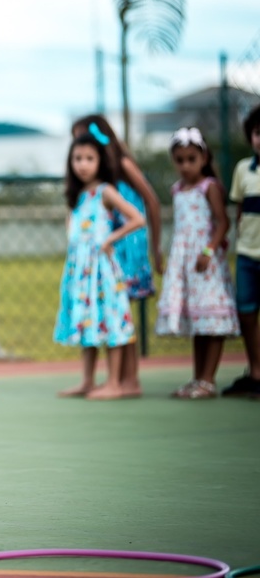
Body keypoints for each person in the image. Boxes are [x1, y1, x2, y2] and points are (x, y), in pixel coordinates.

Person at [71, 114, 164, 398]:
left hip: (127, 244)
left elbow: (151, 200)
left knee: (122, 310)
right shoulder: (102, 175)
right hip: (109, 245)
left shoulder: (122, 165)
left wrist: (155, 247)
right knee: (116, 308)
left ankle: (129, 380)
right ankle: (119, 379)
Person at [54, 131, 145, 400]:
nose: (82, 164)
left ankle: (115, 382)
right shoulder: (77, 196)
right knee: (88, 322)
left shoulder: (105, 192)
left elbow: (137, 218)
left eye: (89, 158)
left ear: (100, 162)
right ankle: (87, 380)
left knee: (111, 321)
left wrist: (111, 239)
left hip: (102, 271)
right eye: (77, 158)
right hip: (81, 273)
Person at [155, 127, 239, 398]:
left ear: (203, 158)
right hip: (186, 264)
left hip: (206, 263)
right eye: (179, 160)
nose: (185, 165)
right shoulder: (177, 189)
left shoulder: (209, 187)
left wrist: (209, 250)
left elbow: (222, 222)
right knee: (198, 321)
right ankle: (197, 378)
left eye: (191, 159)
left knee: (211, 321)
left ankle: (208, 380)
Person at [225, 104, 260, 398]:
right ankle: (255, 371)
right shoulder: (242, 171)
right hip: (248, 254)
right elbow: (239, 210)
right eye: (259, 133)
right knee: (246, 314)